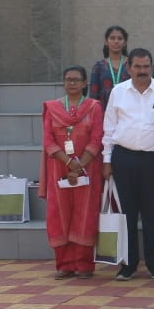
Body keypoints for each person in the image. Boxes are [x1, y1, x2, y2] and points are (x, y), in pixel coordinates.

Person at [102, 48, 154, 280]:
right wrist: (107, 160)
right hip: (124, 159)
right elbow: (109, 128)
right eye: (138, 67)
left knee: (151, 213)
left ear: (152, 67)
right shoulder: (118, 92)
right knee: (127, 214)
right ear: (129, 68)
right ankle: (128, 265)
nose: (142, 71)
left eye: (146, 66)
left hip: (153, 159)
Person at [40, 65, 104, 278]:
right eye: (68, 79)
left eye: (77, 80)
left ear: (85, 83)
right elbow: (48, 141)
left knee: (85, 214)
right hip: (59, 166)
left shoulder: (94, 107)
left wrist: (80, 165)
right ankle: (64, 264)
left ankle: (84, 265)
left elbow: (97, 139)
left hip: (88, 168)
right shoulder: (52, 108)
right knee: (59, 214)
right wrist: (69, 162)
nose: (72, 83)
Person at [89, 26, 129, 106]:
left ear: (125, 42)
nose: (116, 41)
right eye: (112, 38)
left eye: (120, 38)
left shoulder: (132, 64)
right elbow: (93, 95)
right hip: (105, 110)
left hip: (128, 110)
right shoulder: (98, 67)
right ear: (106, 42)